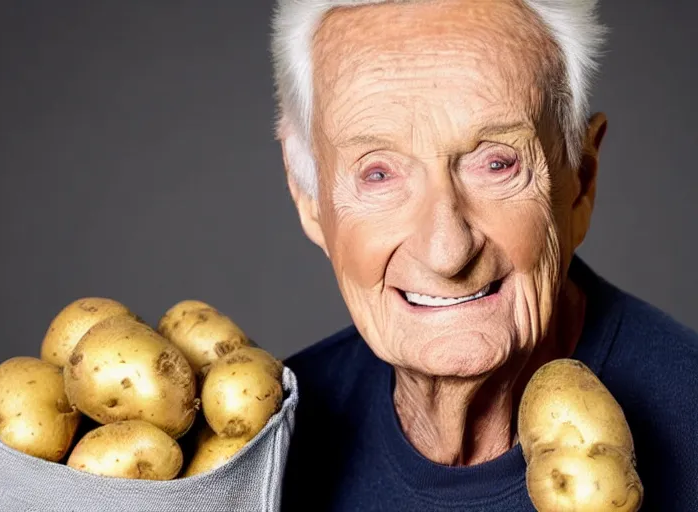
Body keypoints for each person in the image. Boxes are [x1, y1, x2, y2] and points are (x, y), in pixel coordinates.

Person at [269, 0, 698, 510]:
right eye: (378, 173)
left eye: (497, 163)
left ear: (580, 181)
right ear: (309, 199)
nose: (447, 252)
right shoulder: (261, 456)